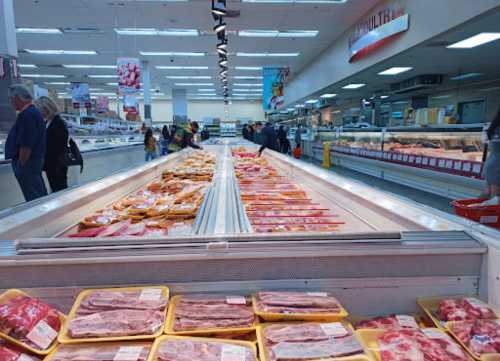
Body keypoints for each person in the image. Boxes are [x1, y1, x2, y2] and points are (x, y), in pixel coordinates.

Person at [5, 84, 48, 202]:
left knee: (34, 196)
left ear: (17, 97)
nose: (11, 102)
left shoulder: (27, 115)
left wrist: (21, 164)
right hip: (32, 162)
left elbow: (26, 144)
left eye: (11, 99)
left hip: (28, 163)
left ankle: (41, 219)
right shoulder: (34, 113)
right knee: (38, 192)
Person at [34, 96, 69, 193]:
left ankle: (64, 207)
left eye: (40, 109)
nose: (39, 113)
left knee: (59, 188)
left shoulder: (58, 123)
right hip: (53, 163)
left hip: (57, 163)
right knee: (55, 187)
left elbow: (58, 145)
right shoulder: (48, 122)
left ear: (47, 108)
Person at [481, 109, 500, 205]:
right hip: (498, 166)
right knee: (495, 198)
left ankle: (472, 211)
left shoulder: (492, 126)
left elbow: (485, 143)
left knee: (488, 192)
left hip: (490, 162)